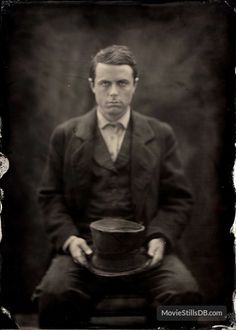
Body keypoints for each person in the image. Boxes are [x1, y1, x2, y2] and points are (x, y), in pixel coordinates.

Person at [35, 45, 201, 328]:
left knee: (184, 297)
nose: (113, 92)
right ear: (92, 85)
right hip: (85, 252)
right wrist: (69, 239)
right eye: (105, 83)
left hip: (145, 251)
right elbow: (50, 197)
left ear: (135, 85)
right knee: (54, 295)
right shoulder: (66, 134)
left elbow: (178, 198)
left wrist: (160, 238)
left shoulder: (160, 134)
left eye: (122, 83)